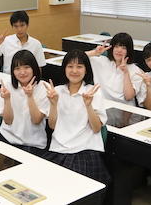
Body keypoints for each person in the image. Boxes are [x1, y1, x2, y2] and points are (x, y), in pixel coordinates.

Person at [43, 49, 110, 192]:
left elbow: (97, 128)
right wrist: (54, 104)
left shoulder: (93, 91)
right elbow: (52, 126)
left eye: (79, 66)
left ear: (86, 70)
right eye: (70, 66)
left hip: (85, 150)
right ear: (64, 69)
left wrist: (88, 105)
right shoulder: (57, 91)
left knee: (75, 189)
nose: (74, 70)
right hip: (59, 149)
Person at [0, 50, 49, 156]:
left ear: (34, 68)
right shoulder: (7, 85)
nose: (22, 72)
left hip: (33, 144)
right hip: (7, 138)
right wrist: (7, 99)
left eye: (26, 67)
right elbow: (8, 121)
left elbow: (36, 120)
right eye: (17, 68)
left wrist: (30, 96)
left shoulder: (44, 87)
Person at [85, 33, 143, 125]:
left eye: (123, 47)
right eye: (116, 46)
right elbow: (73, 58)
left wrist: (126, 73)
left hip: (125, 114)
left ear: (129, 51)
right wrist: (94, 53)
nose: (119, 50)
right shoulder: (102, 61)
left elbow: (128, 96)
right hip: (103, 109)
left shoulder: (135, 70)